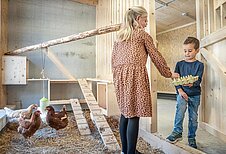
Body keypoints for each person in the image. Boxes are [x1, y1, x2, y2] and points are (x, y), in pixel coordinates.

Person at [111, 6, 179, 154]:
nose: (147, 23)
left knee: (125, 113)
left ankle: (125, 151)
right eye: (145, 20)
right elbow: (155, 56)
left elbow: (113, 60)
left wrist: (116, 78)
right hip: (135, 76)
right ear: (137, 19)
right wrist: (168, 73)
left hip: (120, 77)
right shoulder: (142, 35)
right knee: (134, 114)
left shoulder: (119, 37)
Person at [166, 37, 204, 149]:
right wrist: (180, 90)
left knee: (193, 117)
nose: (187, 53)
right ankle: (177, 132)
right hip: (182, 93)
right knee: (179, 113)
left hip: (195, 94)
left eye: (190, 51)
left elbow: (198, 80)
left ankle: (191, 137)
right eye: (185, 51)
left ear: (197, 50)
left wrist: (192, 84)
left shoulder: (200, 65)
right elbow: (176, 80)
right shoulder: (179, 64)